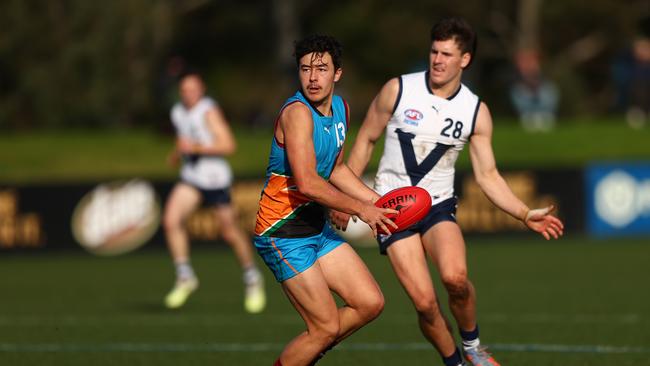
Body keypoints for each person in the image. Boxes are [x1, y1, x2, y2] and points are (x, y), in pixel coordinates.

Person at [342, 17, 565, 366]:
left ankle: (473, 346)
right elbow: (366, 140)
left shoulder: (476, 111)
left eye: (447, 53)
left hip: (437, 207)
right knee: (425, 303)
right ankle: (454, 362)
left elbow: (488, 176)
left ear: (465, 60)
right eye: (434, 51)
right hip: (390, 208)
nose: (437, 60)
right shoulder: (397, 90)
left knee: (455, 279)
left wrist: (524, 213)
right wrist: (349, 200)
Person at [253, 35, 398, 366]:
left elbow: (337, 169)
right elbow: (308, 182)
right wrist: (361, 208)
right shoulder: (297, 114)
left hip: (316, 230)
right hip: (282, 233)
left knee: (369, 302)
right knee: (324, 327)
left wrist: (380, 202)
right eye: (305, 69)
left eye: (321, 69)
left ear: (338, 74)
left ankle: (309, 351)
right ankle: (313, 344)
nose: (312, 77)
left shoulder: (341, 109)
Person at [163, 73, 266, 313]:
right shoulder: (177, 112)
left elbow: (229, 145)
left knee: (229, 232)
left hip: (215, 180)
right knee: (170, 221)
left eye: (192, 90)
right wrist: (178, 153)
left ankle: (252, 277)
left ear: (201, 91)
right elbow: (185, 141)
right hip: (192, 178)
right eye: (184, 90)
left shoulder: (208, 111)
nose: (187, 94)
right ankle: (185, 275)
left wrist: (196, 148)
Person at [509, 48, 559, 132]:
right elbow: (520, 106)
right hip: (527, 116)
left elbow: (551, 104)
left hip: (545, 116)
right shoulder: (518, 88)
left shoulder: (547, 86)